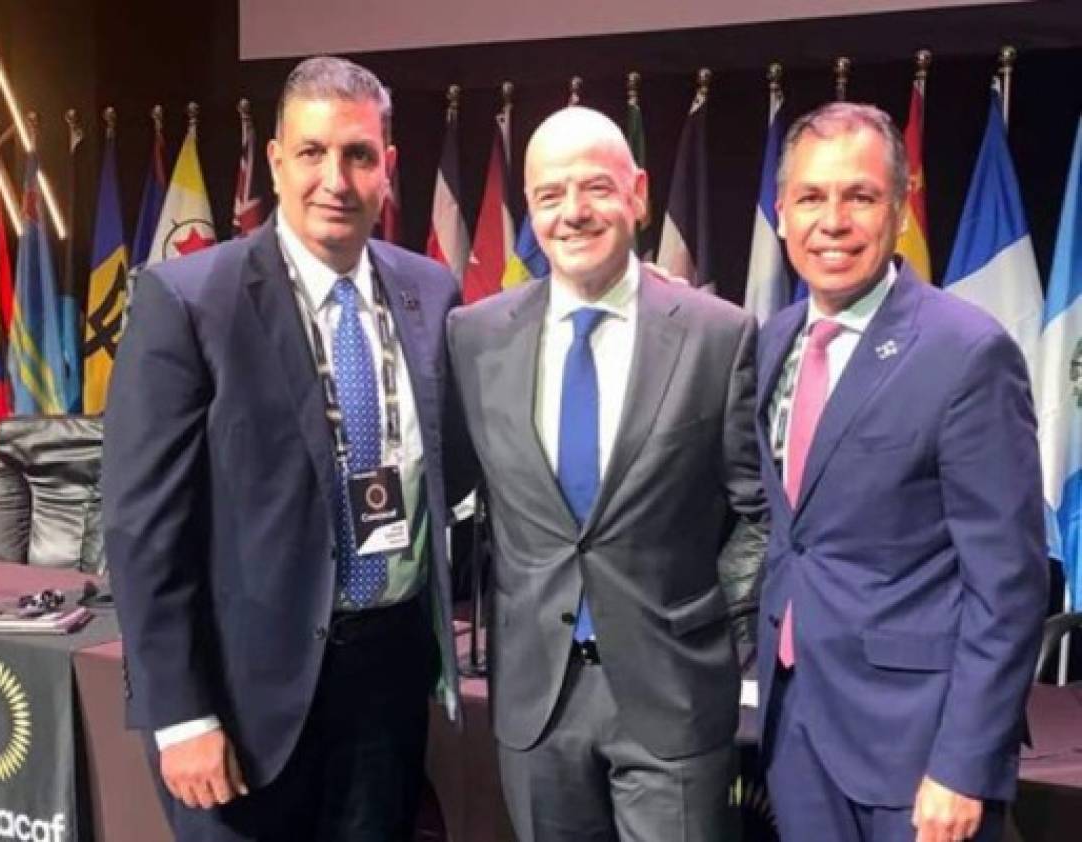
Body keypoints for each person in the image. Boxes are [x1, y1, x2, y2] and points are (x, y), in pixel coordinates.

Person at [103, 55, 471, 841]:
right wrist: (179, 714)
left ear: (388, 167)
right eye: (312, 152)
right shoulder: (188, 300)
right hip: (242, 700)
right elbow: (142, 530)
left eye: (358, 154)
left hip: (388, 682)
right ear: (275, 161)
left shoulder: (431, 292)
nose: (335, 179)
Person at [447, 105, 767, 842]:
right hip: (536, 702)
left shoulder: (717, 335)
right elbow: (450, 487)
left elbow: (758, 513)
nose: (574, 212)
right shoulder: (475, 336)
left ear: (639, 194)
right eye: (550, 194)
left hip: (673, 692)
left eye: (595, 187)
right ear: (530, 210)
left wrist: (706, 622)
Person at [756, 101, 1047, 842]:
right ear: (782, 213)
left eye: (859, 196)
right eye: (811, 197)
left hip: (919, 752)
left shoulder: (966, 352)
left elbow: (1008, 582)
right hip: (798, 728)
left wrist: (964, 764)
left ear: (899, 206)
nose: (833, 221)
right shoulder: (774, 341)